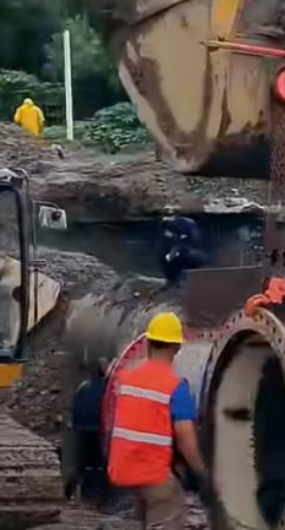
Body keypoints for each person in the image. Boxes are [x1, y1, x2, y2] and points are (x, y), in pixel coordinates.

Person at [107, 312, 211, 529]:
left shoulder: (127, 378)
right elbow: (185, 439)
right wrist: (202, 473)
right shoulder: (174, 386)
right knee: (167, 508)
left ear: (148, 343)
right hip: (154, 475)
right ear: (177, 348)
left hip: (124, 469)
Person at [65, 357, 111, 505]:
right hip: (99, 431)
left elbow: (75, 410)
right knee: (100, 466)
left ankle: (70, 494)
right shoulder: (107, 389)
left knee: (81, 465)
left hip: (82, 431)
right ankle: (97, 497)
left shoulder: (83, 387)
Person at [159, 216, 206, 287]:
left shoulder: (184, 229)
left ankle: (177, 279)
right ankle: (175, 279)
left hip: (188, 254)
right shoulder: (170, 232)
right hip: (185, 252)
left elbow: (181, 244)